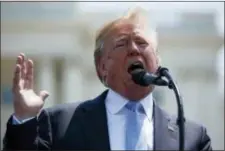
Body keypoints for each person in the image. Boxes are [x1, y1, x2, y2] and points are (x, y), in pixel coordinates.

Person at [3, 9, 212, 150]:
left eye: (141, 42)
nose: (133, 49)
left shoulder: (193, 137)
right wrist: (24, 120)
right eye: (121, 44)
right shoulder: (58, 124)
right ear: (102, 66)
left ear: (157, 62)